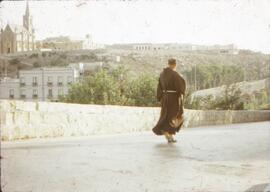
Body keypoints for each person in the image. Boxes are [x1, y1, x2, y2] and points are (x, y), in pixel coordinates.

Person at [152, 58, 186, 143]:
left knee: (166, 116)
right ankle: (166, 132)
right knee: (175, 116)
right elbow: (181, 85)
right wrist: (182, 92)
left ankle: (169, 135)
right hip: (174, 98)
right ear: (174, 64)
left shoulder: (162, 74)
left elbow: (159, 87)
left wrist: (160, 97)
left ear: (168, 64)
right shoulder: (175, 74)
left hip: (165, 97)